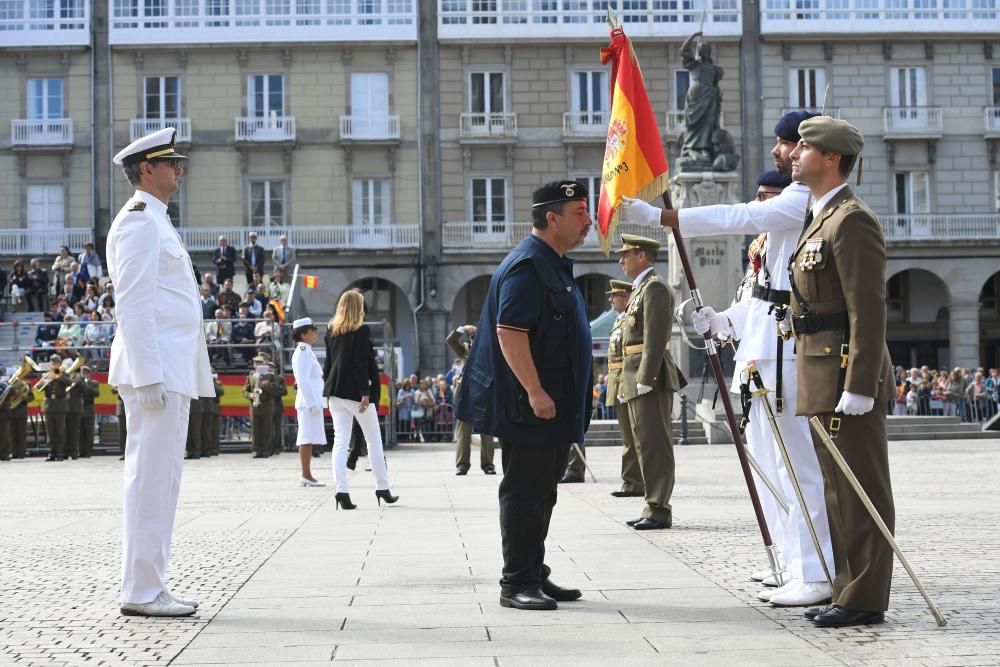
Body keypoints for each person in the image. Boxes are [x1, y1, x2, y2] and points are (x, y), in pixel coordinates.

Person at [623, 112, 838, 604]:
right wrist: (720, 323)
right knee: (768, 465)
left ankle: (815, 571)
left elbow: (738, 215)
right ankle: (790, 562)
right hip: (762, 355)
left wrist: (660, 218)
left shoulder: (799, 200)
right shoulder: (783, 214)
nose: (782, 153)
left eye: (789, 145)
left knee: (795, 468)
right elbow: (759, 299)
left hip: (784, 355)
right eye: (785, 144)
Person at [455, 179, 593, 611]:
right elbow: (509, 332)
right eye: (579, 213)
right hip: (527, 406)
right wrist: (535, 390)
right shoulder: (528, 266)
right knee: (525, 492)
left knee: (543, 492)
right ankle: (515, 582)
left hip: (548, 407)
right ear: (552, 218)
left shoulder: (552, 262)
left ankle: (534, 571)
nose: (588, 220)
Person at [784, 116, 896, 626]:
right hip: (819, 373)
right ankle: (846, 588)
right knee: (836, 490)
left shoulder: (851, 218)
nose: (794, 152)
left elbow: (866, 310)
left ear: (832, 159)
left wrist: (861, 384)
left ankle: (865, 598)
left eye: (805, 147)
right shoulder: (820, 216)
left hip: (845, 377)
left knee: (861, 488)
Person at [108, 127, 214, 617]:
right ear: (146, 169)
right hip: (157, 373)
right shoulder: (139, 222)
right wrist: (149, 373)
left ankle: (149, 583)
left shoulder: (156, 221)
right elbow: (133, 305)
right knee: (152, 478)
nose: (180, 169)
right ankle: (143, 590)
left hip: (169, 370)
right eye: (171, 162)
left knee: (161, 478)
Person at [612, 234, 686, 531]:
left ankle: (659, 507)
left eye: (626, 254)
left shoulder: (654, 286)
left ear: (642, 256)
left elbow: (655, 337)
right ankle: (651, 504)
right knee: (643, 443)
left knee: (655, 444)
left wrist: (647, 376)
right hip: (634, 376)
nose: (621, 260)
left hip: (648, 377)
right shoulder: (640, 288)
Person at [322, 289, 397, 510]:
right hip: (355, 393)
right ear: (358, 307)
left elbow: (328, 365)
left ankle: (341, 491)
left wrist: (328, 390)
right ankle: (382, 487)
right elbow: (360, 365)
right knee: (373, 439)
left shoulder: (331, 331)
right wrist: (365, 393)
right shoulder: (361, 331)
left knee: (340, 441)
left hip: (335, 391)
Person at [447, 324, 496, 475]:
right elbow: (450, 341)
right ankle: (462, 464)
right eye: (473, 337)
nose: (476, 340)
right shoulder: (464, 350)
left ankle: (488, 465)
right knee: (463, 429)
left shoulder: (489, 349)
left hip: (484, 390)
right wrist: (461, 329)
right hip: (466, 391)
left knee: (487, 428)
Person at [291, 317, 326, 486]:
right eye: (312, 330)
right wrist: (313, 403)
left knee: (309, 437)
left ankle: (307, 474)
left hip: (312, 401)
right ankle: (305, 474)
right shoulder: (303, 352)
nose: (315, 333)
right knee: (305, 437)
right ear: (303, 334)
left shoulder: (307, 351)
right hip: (307, 403)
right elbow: (303, 380)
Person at [244, 355, 279, 458]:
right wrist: (250, 395)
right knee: (255, 430)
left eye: (260, 362)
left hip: (267, 405)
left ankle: (266, 450)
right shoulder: (251, 375)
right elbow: (245, 390)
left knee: (267, 429)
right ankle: (256, 450)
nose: (257, 364)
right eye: (256, 363)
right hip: (255, 406)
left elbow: (276, 390)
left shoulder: (270, 375)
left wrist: (266, 385)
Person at [41, 354, 70, 461]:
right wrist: (48, 379)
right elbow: (39, 388)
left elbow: (69, 383)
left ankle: (59, 453)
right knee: (50, 431)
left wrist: (59, 375)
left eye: (56, 362)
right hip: (49, 405)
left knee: (60, 431)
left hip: (60, 405)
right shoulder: (46, 374)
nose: (54, 364)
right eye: (52, 362)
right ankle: (51, 453)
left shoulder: (64, 374)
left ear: (60, 363)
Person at [79, 366, 100, 458]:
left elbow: (96, 393)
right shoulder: (78, 382)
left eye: (86, 373)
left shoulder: (94, 383)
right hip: (79, 408)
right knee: (80, 432)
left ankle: (88, 451)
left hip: (89, 407)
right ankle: (81, 451)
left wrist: (86, 384)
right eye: (83, 373)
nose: (84, 374)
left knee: (88, 431)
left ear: (89, 374)